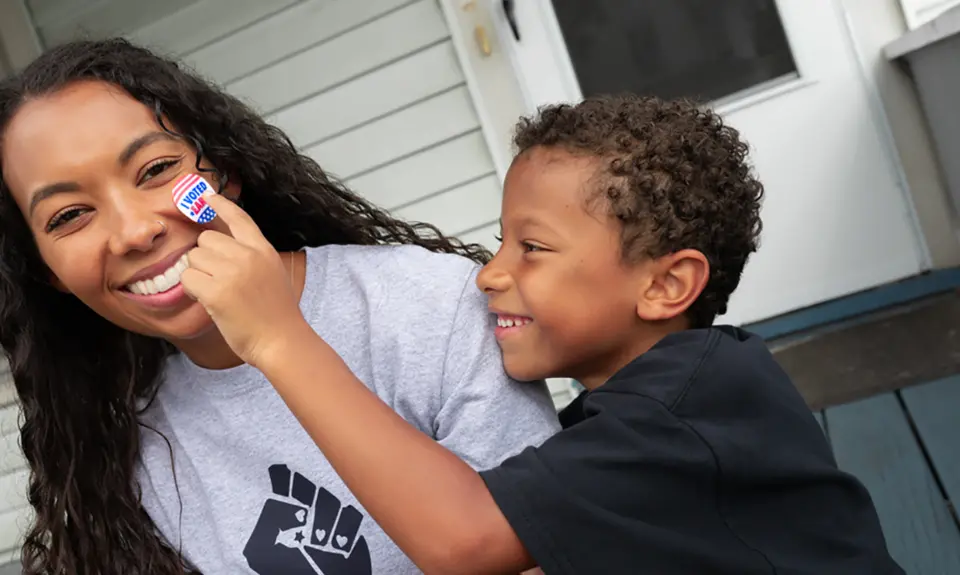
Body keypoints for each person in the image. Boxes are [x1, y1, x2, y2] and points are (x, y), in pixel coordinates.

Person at [180, 94, 906, 574]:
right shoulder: (653, 405)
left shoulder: (687, 407)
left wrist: (279, 337)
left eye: (533, 248)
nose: (488, 274)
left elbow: (463, 536)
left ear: (664, 285)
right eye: (500, 243)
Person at [0, 39, 562, 575]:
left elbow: (549, 548)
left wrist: (277, 341)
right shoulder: (133, 447)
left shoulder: (427, 306)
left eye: (155, 170)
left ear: (226, 171)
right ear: (50, 273)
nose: (134, 232)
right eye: (69, 216)